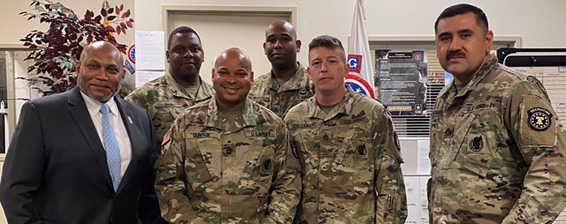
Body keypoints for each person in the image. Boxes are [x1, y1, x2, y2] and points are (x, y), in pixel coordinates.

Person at [428, 3, 566, 223]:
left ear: (487, 40)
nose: (454, 45)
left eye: (465, 35)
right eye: (445, 38)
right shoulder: (444, 100)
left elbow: (554, 172)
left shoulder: (516, 90)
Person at [0, 41, 158, 224]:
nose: (102, 76)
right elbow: (16, 190)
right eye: (93, 66)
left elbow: (148, 188)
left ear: (122, 75)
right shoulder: (42, 114)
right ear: (78, 68)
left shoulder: (140, 118)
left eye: (112, 70)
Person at [155, 47, 301, 223]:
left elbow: (288, 184)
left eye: (240, 74)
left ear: (252, 78)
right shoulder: (186, 123)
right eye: (224, 72)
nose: (232, 80)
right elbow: (167, 181)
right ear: (213, 75)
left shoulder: (272, 126)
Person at [285, 35, 407, 223]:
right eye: (317, 63)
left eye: (332, 61)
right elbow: (287, 183)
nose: (324, 68)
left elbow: (390, 185)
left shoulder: (372, 114)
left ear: (346, 69)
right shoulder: (294, 119)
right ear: (309, 72)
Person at [125, 26, 215, 149]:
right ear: (168, 56)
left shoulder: (216, 96)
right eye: (179, 50)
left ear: (202, 55)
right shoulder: (144, 96)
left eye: (194, 49)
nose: (188, 54)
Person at [248, 20, 314, 117]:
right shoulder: (253, 90)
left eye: (284, 39)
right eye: (272, 40)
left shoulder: (314, 86)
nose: (277, 45)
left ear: (297, 45)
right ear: (265, 47)